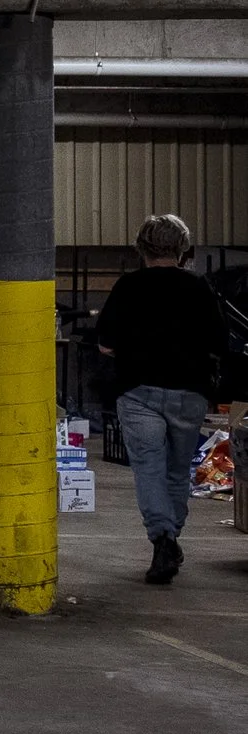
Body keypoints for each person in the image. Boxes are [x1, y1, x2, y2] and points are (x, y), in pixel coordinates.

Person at [95, 213, 224, 586]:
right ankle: (170, 537)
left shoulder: (128, 287)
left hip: (138, 394)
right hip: (189, 392)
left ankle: (162, 539)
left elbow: (105, 343)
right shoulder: (199, 288)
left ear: (141, 248)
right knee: (177, 470)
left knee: (149, 469)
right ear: (183, 249)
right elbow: (219, 343)